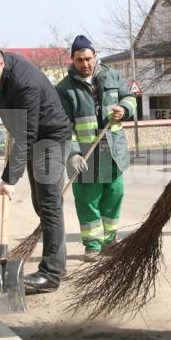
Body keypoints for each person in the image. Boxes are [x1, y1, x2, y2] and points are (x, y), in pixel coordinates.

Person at [0, 45, 71, 293]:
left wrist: (9, 179)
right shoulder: (3, 74)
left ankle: (51, 274)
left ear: (0, 63)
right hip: (35, 138)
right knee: (42, 205)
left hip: (50, 140)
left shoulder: (24, 82)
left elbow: (27, 134)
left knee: (48, 204)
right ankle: (58, 263)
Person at [56, 35, 137, 262]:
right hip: (85, 156)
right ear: (72, 60)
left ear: (95, 56)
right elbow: (62, 126)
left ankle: (110, 241)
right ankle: (92, 244)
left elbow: (130, 97)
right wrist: (72, 153)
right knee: (88, 200)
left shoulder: (112, 76)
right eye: (80, 60)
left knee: (114, 195)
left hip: (113, 152)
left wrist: (124, 108)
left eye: (88, 58)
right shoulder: (64, 89)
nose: (85, 64)